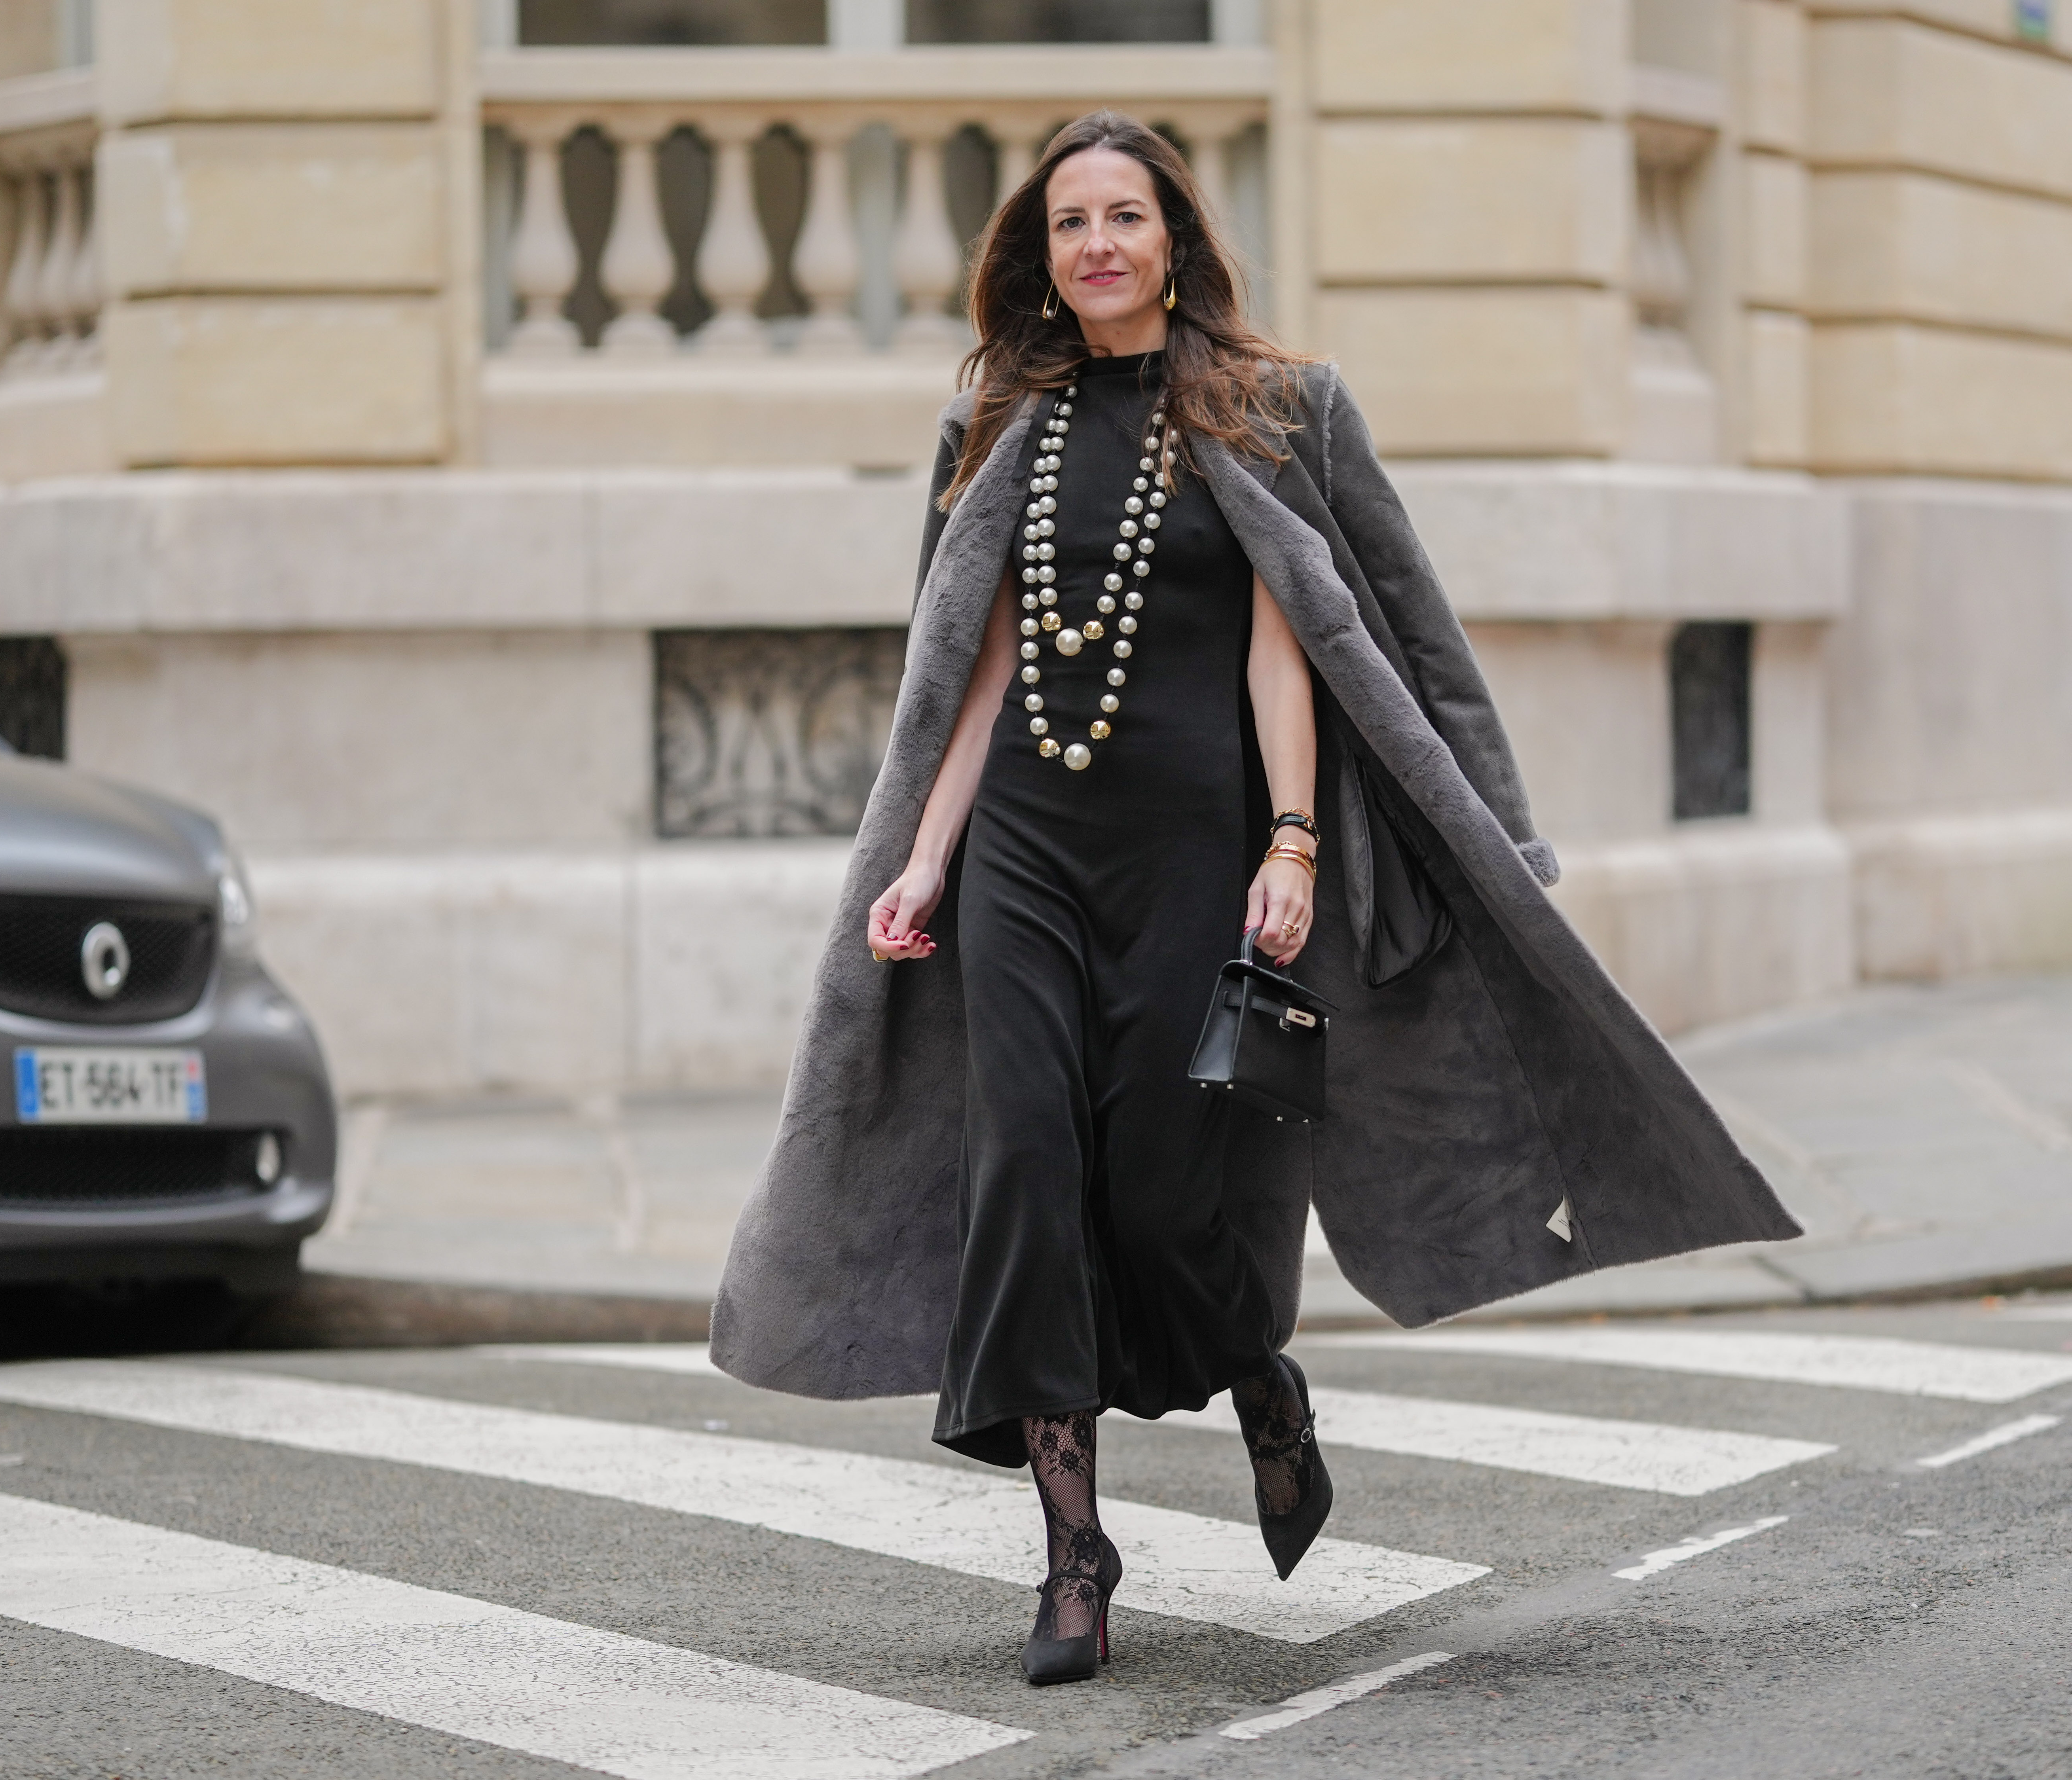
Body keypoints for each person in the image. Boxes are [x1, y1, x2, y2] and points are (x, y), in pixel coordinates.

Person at [710, 112, 1800, 1685]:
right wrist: (925, 857)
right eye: (1069, 220)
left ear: (1172, 241)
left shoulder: (1270, 408)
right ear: (1038, 250)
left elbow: (1298, 639)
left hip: (1193, 854)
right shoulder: (996, 419)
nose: (1096, 243)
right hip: (1022, 842)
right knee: (1024, 1174)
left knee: (1163, 1188)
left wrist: (1290, 846)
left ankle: (1256, 1382)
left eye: (1124, 218)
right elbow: (975, 662)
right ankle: (1073, 1557)